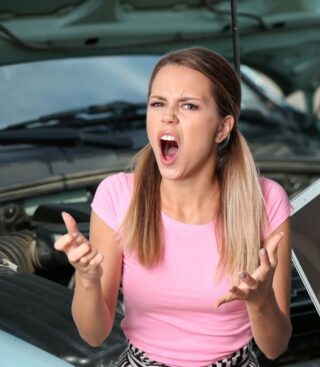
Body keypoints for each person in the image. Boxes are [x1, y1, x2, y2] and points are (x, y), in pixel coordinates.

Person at [53, 47, 293, 367]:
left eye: (189, 106)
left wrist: (261, 301)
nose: (168, 116)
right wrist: (86, 278)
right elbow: (93, 334)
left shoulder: (266, 200)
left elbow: (275, 347)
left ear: (222, 128)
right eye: (158, 103)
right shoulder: (117, 196)